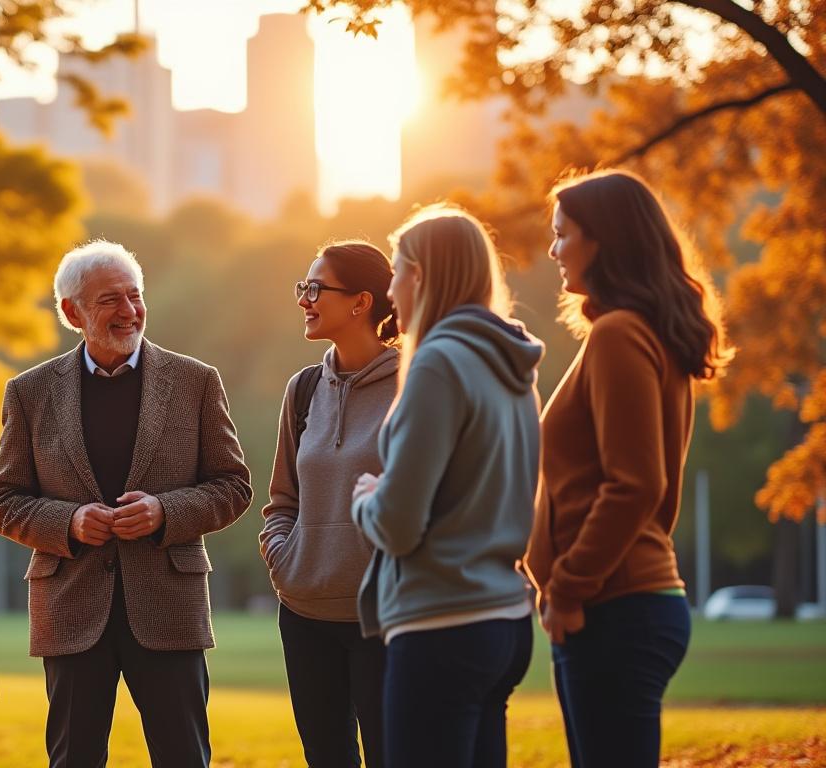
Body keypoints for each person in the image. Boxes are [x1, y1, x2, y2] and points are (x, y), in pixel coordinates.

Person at [0, 239, 252, 768]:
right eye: (110, 299)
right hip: (70, 612)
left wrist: (164, 513)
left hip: (169, 609)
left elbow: (234, 486)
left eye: (135, 295)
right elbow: (3, 500)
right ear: (72, 312)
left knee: (184, 757)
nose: (129, 310)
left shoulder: (196, 381)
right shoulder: (29, 392)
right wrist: (69, 521)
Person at [524, 170, 733, 768]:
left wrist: (568, 586)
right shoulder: (631, 332)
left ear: (603, 240)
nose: (553, 250)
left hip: (614, 607)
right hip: (617, 606)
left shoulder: (619, 335)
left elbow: (635, 485)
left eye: (563, 234)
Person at [350, 204, 542, 768]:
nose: (390, 292)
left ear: (422, 277)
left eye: (396, 272)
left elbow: (398, 525)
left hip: (441, 623)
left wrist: (365, 498)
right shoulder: (511, 364)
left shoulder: (437, 364)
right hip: (504, 621)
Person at [260, 240, 399, 767]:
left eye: (316, 289)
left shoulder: (413, 385)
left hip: (383, 617)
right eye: (304, 287)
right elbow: (282, 499)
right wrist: (284, 557)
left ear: (361, 302)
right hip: (305, 614)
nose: (304, 299)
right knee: (325, 757)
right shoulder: (303, 389)